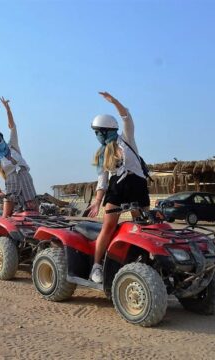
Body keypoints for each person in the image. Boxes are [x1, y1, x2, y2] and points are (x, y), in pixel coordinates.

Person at [87, 92, 150, 283]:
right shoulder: (101, 153)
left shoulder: (126, 139)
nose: (97, 135)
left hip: (137, 184)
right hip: (117, 187)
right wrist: (97, 201)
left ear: (108, 130)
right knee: (108, 226)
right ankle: (96, 266)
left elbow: (126, 117)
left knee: (143, 226)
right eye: (95, 132)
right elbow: (102, 181)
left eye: (99, 132)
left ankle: (144, 262)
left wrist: (114, 102)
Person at [0, 97, 37, 218]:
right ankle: (3, 224)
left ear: (1, 138)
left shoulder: (12, 145)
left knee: (32, 205)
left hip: (25, 175)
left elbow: (12, 127)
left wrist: (7, 109)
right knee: (8, 208)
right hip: (11, 178)